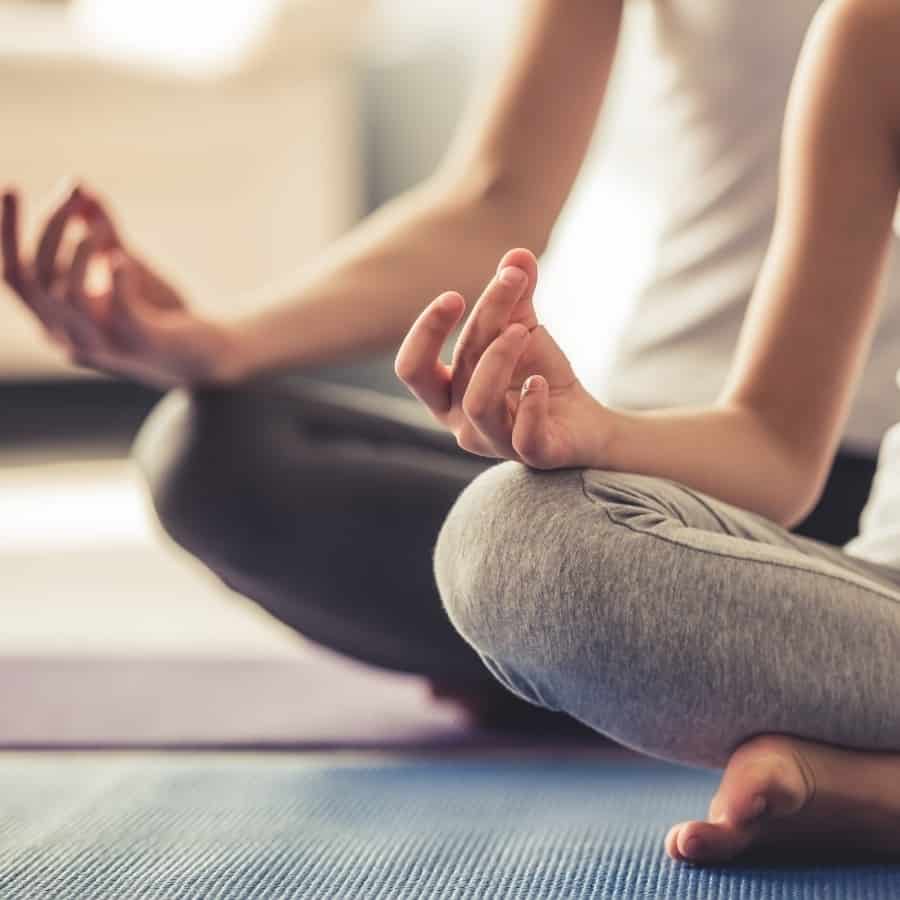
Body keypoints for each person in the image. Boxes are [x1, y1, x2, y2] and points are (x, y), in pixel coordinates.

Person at [0, 0, 897, 814]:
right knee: (226, 452)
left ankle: (634, 688)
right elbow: (494, 196)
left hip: (851, 493)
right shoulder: (864, 44)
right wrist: (220, 342)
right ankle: (626, 671)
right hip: (672, 473)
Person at [394, 0, 900, 863]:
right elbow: (774, 448)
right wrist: (594, 431)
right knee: (513, 537)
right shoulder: (872, 36)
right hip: (882, 605)